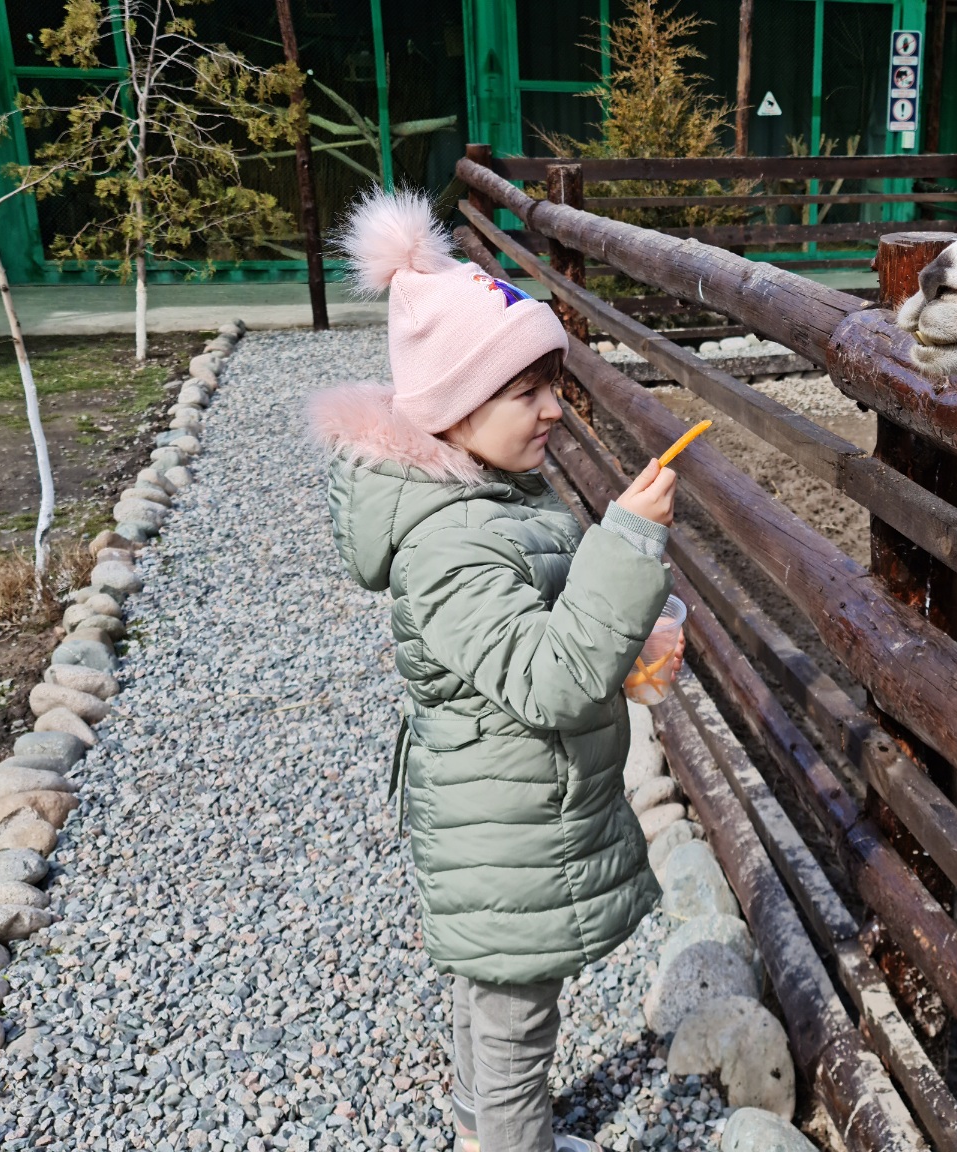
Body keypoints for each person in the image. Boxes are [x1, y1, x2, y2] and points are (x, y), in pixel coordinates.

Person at [311, 189, 675, 1152]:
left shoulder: (497, 498)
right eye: (527, 391)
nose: (554, 408)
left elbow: (543, 639)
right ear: (453, 409)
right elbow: (551, 677)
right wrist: (628, 544)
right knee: (516, 1024)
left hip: (512, 811)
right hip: (504, 828)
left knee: (493, 1002)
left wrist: (627, 640)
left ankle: (479, 1133)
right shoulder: (449, 544)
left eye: (553, 383)